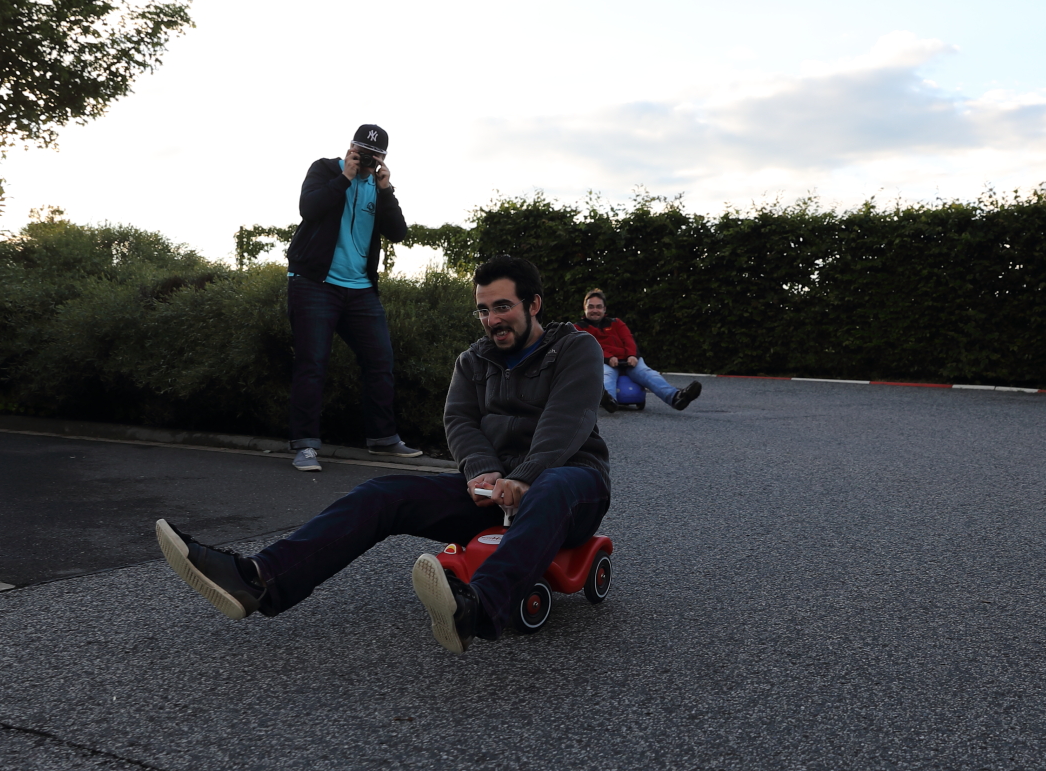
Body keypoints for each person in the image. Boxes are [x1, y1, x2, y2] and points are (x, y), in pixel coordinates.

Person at [154, 255, 612, 654]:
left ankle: (481, 607)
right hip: (496, 490)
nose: (491, 320)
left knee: (551, 486)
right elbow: (460, 421)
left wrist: (527, 475)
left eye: (502, 307)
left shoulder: (575, 348)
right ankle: (259, 579)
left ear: (533, 304)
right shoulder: (472, 361)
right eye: (483, 310)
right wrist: (483, 471)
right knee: (383, 494)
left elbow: (566, 419)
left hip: (570, 483)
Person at [284, 123, 422, 472]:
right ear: (350, 147)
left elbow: (398, 232)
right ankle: (305, 446)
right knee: (312, 363)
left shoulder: (378, 186)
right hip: (314, 282)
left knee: (380, 360)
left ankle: (383, 438)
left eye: (373, 155)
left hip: (360, 288)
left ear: (382, 158)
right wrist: (344, 177)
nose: (365, 160)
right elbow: (308, 208)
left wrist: (386, 189)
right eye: (361, 152)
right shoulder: (325, 169)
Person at [575, 289, 702, 414]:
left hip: (627, 359)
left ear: (604, 309)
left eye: (598, 307)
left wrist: (632, 355)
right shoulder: (578, 328)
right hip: (604, 361)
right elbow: (588, 348)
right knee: (606, 375)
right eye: (591, 307)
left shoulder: (616, 323)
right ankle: (610, 401)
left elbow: (628, 339)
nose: (595, 310)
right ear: (585, 308)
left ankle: (676, 397)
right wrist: (608, 358)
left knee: (648, 374)